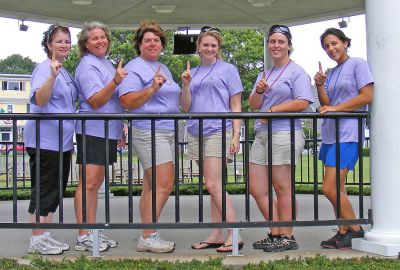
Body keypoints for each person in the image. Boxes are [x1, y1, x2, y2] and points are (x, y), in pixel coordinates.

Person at [248, 25, 314, 252]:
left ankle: (286, 235)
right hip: (262, 134)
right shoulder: (264, 73)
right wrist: (258, 91)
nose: (276, 45)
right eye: (272, 41)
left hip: (285, 131)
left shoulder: (297, 72)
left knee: (281, 186)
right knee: (257, 187)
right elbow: (253, 105)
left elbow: (303, 101)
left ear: (289, 46)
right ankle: (275, 232)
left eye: (281, 42)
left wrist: (273, 110)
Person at [181, 26, 243, 253]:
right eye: (205, 45)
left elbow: (236, 105)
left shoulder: (228, 69)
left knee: (214, 184)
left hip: (220, 129)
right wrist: (185, 85)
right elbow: (186, 106)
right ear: (198, 47)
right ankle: (217, 233)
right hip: (195, 131)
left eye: (213, 45)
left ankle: (234, 233)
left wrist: (236, 135)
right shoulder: (192, 72)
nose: (209, 48)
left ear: (218, 48)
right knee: (212, 184)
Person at [119, 20, 180, 253]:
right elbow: (126, 100)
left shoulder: (162, 67)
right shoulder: (135, 67)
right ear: (139, 44)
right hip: (149, 130)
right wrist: (152, 89)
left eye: (157, 40)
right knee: (164, 184)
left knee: (151, 186)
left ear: (162, 44)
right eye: (148, 40)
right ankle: (148, 236)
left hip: (165, 130)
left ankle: (147, 232)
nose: (153, 43)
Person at [314, 28, 373, 249]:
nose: (331, 49)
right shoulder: (332, 71)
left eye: (334, 43)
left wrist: (335, 108)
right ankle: (342, 231)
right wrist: (320, 85)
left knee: (328, 188)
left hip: (348, 133)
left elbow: (366, 97)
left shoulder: (358, 64)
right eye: (327, 46)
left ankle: (356, 230)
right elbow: (326, 101)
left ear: (345, 43)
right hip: (330, 134)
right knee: (338, 188)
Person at [24, 24, 77, 255]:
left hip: (62, 142)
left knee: (54, 191)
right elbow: (40, 99)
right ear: (48, 45)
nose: (64, 45)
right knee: (43, 190)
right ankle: (36, 240)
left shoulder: (64, 70)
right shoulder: (45, 68)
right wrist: (52, 77)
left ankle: (45, 234)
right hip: (44, 141)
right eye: (59, 41)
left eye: (67, 41)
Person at [74, 21, 127, 252]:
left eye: (103, 37)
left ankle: (92, 229)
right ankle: (83, 234)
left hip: (107, 131)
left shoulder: (104, 63)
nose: (100, 41)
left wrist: (120, 127)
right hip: (93, 129)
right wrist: (115, 81)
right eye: (94, 38)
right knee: (89, 183)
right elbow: (95, 101)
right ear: (86, 43)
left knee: (96, 184)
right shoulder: (87, 65)